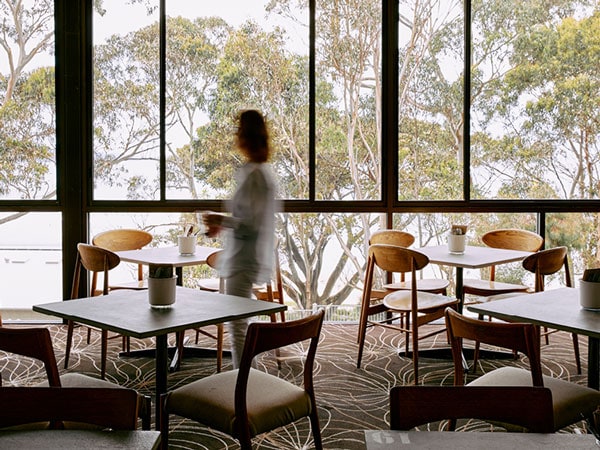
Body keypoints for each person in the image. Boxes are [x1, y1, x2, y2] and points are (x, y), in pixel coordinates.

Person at [203, 109, 277, 369]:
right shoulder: (255, 171)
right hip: (244, 256)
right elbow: (248, 219)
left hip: (245, 260)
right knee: (238, 323)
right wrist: (223, 226)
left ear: (246, 135)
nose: (236, 135)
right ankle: (246, 383)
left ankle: (244, 387)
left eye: (238, 130)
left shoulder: (256, 174)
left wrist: (220, 220)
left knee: (237, 326)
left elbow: (251, 225)